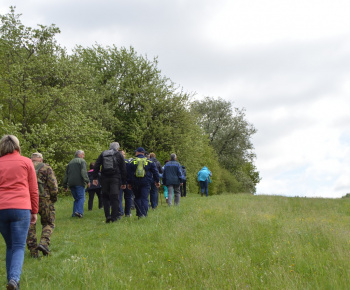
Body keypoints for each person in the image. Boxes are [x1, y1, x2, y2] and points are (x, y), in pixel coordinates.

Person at [0, 135, 38, 290]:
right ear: (17, 146)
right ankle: (14, 280)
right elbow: (33, 189)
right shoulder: (26, 162)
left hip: (1, 208)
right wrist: (34, 210)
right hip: (21, 208)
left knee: (10, 246)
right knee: (18, 246)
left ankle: (12, 281)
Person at [26, 152, 58, 258]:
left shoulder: (26, 167)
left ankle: (34, 252)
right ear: (41, 159)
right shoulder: (46, 168)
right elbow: (53, 185)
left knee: (30, 225)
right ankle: (44, 243)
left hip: (29, 199)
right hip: (45, 200)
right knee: (49, 223)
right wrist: (53, 198)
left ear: (32, 159)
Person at [92, 142, 126, 223]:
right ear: (117, 148)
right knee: (114, 197)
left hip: (104, 178)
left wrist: (95, 178)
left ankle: (107, 216)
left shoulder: (103, 153)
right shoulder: (119, 154)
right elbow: (123, 169)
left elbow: (96, 165)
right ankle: (114, 217)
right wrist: (124, 182)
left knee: (105, 197)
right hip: (115, 178)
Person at [127, 147, 160, 218]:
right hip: (146, 182)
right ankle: (144, 214)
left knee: (137, 197)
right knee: (144, 198)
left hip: (135, 183)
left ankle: (139, 213)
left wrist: (129, 183)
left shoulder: (132, 162)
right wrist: (157, 181)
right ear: (143, 153)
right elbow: (155, 172)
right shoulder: (149, 162)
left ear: (138, 152)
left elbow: (128, 174)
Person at [63, 150, 89, 218]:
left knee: (76, 199)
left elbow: (66, 174)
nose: (84, 156)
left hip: (71, 183)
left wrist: (65, 185)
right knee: (81, 198)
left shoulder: (70, 162)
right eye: (83, 154)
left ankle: (74, 213)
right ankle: (79, 212)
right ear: (79, 155)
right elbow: (83, 172)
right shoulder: (82, 161)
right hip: (79, 182)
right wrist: (87, 181)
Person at [119, 150, 133, 217]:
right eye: (124, 154)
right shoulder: (128, 162)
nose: (125, 155)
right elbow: (130, 173)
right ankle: (127, 213)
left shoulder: (116, 162)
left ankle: (120, 212)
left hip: (119, 181)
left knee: (119, 198)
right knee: (128, 197)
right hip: (127, 181)